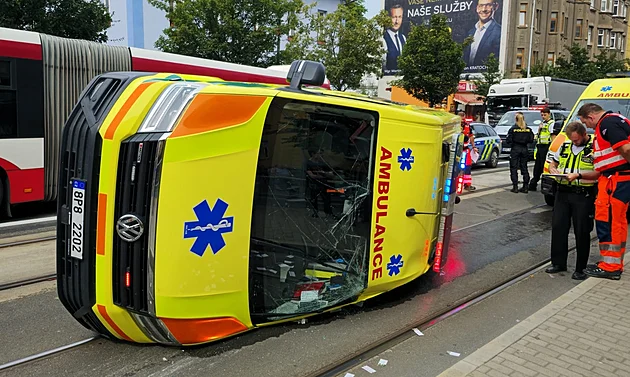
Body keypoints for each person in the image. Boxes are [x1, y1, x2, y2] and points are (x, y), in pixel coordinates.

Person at [577, 103, 630, 280]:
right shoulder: (617, 120)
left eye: (585, 122)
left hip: (615, 180)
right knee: (618, 222)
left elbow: (626, 149)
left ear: (591, 117)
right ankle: (614, 263)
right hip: (617, 179)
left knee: (609, 222)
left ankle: (611, 266)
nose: (587, 127)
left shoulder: (607, 124)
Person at [545, 122, 598, 280]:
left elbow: (599, 171)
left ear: (583, 134)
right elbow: (553, 163)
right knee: (558, 227)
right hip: (562, 192)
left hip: (583, 194)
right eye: (572, 140)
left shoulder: (595, 147)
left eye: (576, 140)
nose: (574, 142)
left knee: (582, 231)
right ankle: (558, 263)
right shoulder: (565, 145)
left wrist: (579, 175)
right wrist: (553, 169)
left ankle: (580, 268)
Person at [463, 0, 502, 68]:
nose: (484, 9)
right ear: (477, 8)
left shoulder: (499, 32)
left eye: (488, 5)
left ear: (495, 6)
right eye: (481, 6)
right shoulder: (470, 32)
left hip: (487, 76)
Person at [507, 112, 534, 193]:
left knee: (514, 168)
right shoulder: (528, 129)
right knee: (524, 167)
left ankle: (515, 187)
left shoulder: (513, 129)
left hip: (515, 149)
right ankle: (525, 186)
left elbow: (508, 140)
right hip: (524, 149)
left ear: (516, 119)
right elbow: (531, 140)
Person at [529, 107, 554, 191]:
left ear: (549, 114)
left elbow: (553, 137)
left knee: (544, 166)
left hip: (546, 147)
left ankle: (544, 184)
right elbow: (538, 135)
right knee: (537, 167)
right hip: (540, 147)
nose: (543, 116)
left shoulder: (551, 123)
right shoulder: (542, 123)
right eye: (542, 115)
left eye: (545, 115)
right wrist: (539, 129)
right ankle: (533, 184)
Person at [383, 4, 406, 73]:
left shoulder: (403, 38)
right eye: (394, 17)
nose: (397, 21)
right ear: (388, 18)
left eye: (399, 17)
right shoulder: (383, 38)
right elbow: (383, 65)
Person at [459, 112, 477, 191]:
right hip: (457, 150)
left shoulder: (467, 126)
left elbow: (471, 136)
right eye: (461, 118)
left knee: (467, 167)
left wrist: (474, 147)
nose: (462, 120)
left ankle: (467, 184)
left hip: (465, 150)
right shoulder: (455, 126)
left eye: (463, 118)